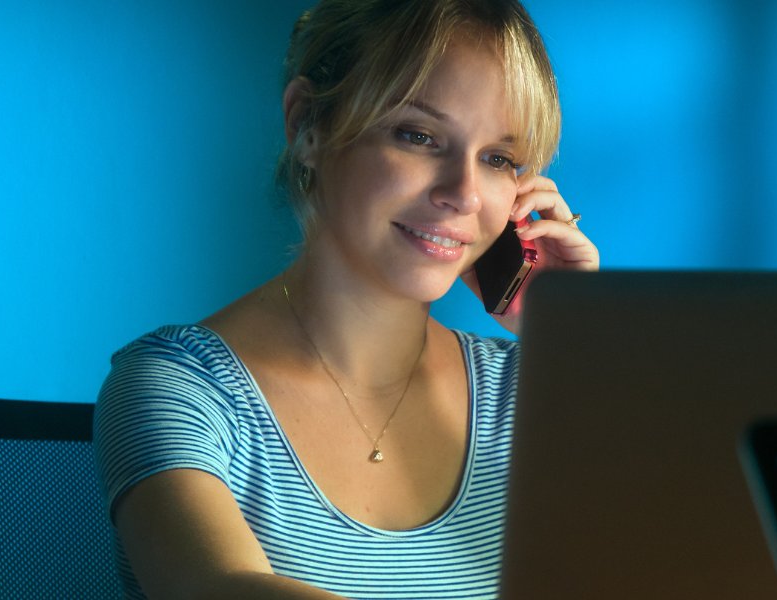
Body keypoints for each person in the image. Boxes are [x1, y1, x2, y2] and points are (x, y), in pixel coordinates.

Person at [93, 1, 598, 598]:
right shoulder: (176, 387)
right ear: (308, 126)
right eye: (419, 136)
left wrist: (579, 348)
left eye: (498, 159)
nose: (463, 193)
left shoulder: (533, 389)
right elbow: (219, 588)